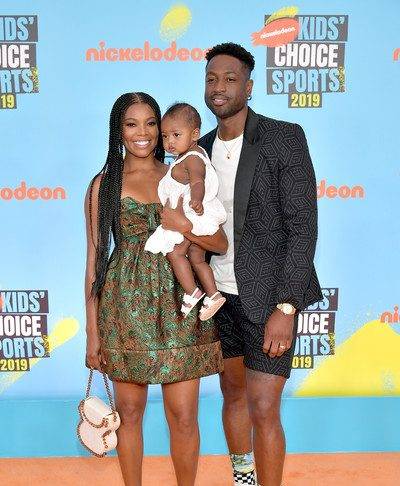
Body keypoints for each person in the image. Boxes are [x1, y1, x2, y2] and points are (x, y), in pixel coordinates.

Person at [161, 43, 322, 486]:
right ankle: (243, 479)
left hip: (269, 298)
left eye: (230, 79)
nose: (219, 87)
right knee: (232, 395)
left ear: (249, 87)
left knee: (264, 407)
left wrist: (287, 306)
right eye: (212, 79)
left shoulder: (283, 137)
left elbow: (303, 226)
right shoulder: (197, 150)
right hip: (219, 297)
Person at [84, 92, 227, 486]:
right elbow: (94, 260)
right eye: (132, 124)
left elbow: (219, 242)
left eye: (151, 123)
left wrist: (184, 226)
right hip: (124, 309)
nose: (143, 133)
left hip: (181, 302)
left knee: (184, 416)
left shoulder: (182, 173)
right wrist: (93, 331)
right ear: (118, 131)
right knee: (129, 415)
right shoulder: (103, 185)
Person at [145, 102, 227, 320]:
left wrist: (197, 200)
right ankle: (213, 294)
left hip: (193, 215)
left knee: (175, 253)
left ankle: (192, 292)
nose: (169, 142)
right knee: (197, 258)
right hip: (197, 216)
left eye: (176, 135)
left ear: (195, 134)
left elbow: (198, 181)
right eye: (165, 136)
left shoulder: (192, 158)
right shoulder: (191, 154)